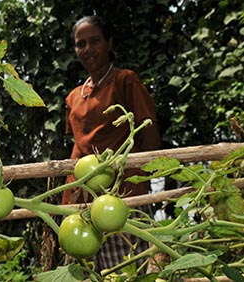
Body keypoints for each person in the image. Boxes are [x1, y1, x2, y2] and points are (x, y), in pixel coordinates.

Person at [62, 15, 162, 271]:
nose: (87, 49)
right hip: (82, 199)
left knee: (125, 269)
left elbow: (148, 130)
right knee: (91, 271)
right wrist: (68, 195)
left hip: (121, 194)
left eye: (94, 41)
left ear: (110, 43)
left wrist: (147, 176)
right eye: (80, 44)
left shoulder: (125, 81)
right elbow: (78, 145)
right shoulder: (74, 96)